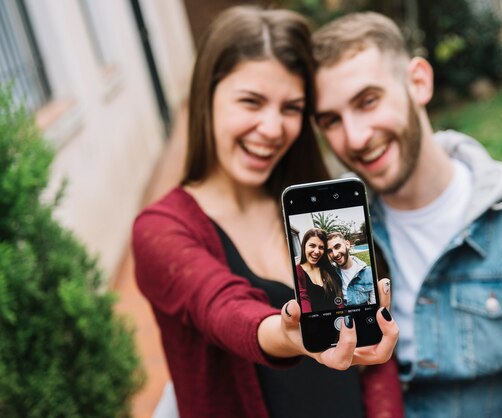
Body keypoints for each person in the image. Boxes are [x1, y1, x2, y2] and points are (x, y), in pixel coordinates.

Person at [312, 11, 502, 418]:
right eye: (332, 121)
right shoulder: (328, 237)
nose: (356, 138)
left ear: (418, 82)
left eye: (369, 101)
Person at [132, 7, 401, 418]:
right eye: (251, 101)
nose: (273, 128)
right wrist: (288, 333)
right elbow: (221, 308)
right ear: (206, 97)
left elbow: (372, 359)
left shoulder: (313, 207)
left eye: (291, 108)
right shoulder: (161, 230)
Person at [296, 228, 344, 312]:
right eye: (312, 246)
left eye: (321, 247)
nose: (317, 251)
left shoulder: (329, 268)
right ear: (304, 246)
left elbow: (338, 296)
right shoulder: (298, 272)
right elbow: (303, 300)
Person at [326, 232, 376, 306]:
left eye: (337, 247)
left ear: (347, 244)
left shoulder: (368, 273)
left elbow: (374, 304)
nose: (335, 254)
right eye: (330, 251)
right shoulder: (330, 273)